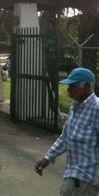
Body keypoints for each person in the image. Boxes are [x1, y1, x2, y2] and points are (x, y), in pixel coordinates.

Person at [35, 67, 98, 195]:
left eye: (72, 86)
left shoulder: (96, 109)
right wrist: (48, 157)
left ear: (85, 87)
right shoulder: (74, 108)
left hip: (86, 177)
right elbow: (65, 137)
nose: (68, 90)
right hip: (73, 172)